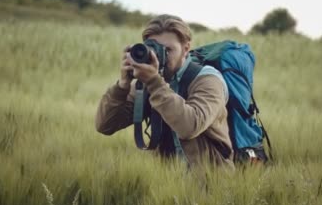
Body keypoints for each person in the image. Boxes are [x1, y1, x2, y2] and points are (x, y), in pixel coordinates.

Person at [95, 14, 234, 169]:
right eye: (154, 49)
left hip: (211, 183)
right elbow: (105, 126)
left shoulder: (207, 80)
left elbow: (190, 127)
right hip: (167, 183)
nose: (161, 56)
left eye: (168, 50)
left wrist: (154, 82)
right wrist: (122, 85)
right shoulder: (147, 83)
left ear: (186, 49)